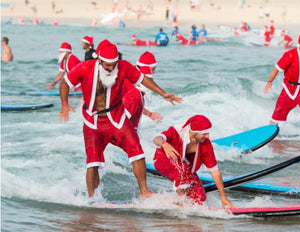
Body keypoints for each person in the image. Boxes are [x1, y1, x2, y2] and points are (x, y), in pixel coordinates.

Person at [58, 42, 183, 198]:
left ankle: (144, 191)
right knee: (93, 163)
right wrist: (64, 104)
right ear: (99, 60)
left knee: (137, 153)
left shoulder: (123, 66)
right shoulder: (85, 67)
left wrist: (162, 93)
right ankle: (91, 197)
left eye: (114, 64)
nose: (111, 68)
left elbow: (143, 79)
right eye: (108, 65)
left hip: (116, 118)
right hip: (92, 122)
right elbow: (65, 83)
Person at [153, 115, 234, 208]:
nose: (207, 136)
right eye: (204, 133)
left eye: (207, 133)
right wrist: (164, 144)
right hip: (163, 160)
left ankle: (165, 202)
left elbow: (215, 171)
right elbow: (156, 139)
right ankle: (180, 202)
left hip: (185, 168)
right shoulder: (177, 131)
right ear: (194, 132)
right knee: (183, 172)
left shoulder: (206, 144)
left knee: (200, 198)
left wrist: (223, 197)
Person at [122, 51, 163, 130]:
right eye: (153, 69)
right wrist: (150, 114)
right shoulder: (130, 84)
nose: (154, 72)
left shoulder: (136, 74)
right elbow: (130, 104)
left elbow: (135, 104)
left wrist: (149, 114)